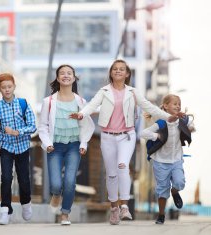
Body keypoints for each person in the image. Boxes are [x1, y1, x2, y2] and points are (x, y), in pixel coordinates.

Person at [70, 59, 181, 225]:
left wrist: (167, 117)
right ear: (111, 73)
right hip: (107, 136)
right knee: (111, 173)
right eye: (115, 69)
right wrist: (82, 114)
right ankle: (114, 208)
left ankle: (124, 206)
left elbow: (149, 107)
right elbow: (92, 105)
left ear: (127, 74)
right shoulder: (104, 91)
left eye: (122, 69)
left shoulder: (133, 92)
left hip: (126, 136)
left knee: (122, 166)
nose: (118, 71)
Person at [39, 64, 95, 225]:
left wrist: (84, 143)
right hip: (54, 147)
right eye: (62, 73)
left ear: (74, 78)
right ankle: (56, 195)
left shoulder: (81, 101)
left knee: (70, 181)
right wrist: (47, 143)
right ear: (57, 78)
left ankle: (65, 214)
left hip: (74, 146)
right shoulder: (48, 102)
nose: (65, 75)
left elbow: (86, 124)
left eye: (69, 73)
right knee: (56, 184)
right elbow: (42, 126)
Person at [0, 73, 37, 225]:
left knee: (24, 179)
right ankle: (5, 211)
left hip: (22, 147)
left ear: (14, 86)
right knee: (6, 178)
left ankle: (26, 203)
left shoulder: (23, 104)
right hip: (6, 147)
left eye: (9, 86)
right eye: (4, 87)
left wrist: (18, 132)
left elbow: (33, 126)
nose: (7, 90)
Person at [140, 94, 194, 224]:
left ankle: (175, 192)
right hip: (160, 161)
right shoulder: (161, 122)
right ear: (165, 106)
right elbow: (143, 133)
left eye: (179, 104)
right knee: (162, 189)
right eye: (175, 103)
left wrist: (190, 126)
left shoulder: (181, 120)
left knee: (180, 182)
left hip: (176, 159)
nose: (178, 106)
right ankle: (161, 215)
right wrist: (156, 136)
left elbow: (191, 124)